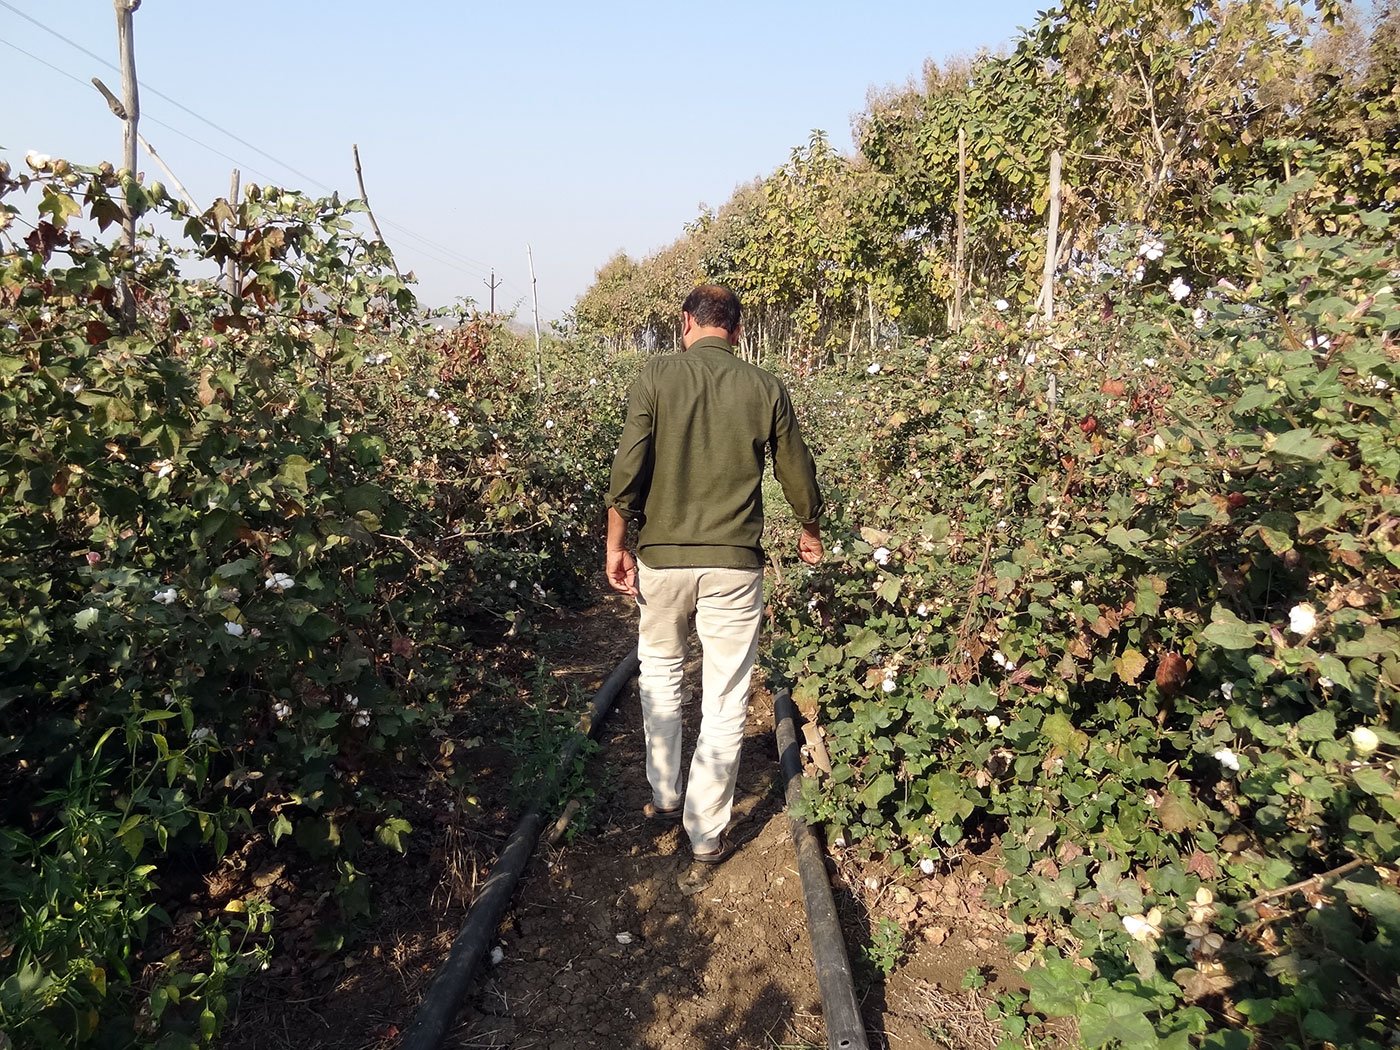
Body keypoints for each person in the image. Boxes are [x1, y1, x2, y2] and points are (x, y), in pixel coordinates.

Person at [604, 284, 824, 866]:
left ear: (686, 324)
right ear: (737, 330)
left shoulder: (655, 378)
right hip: (733, 565)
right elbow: (795, 470)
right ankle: (706, 833)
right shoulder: (764, 387)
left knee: (661, 672)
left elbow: (628, 470)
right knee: (725, 694)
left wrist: (617, 545)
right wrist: (811, 525)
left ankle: (665, 793)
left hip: (661, 560)